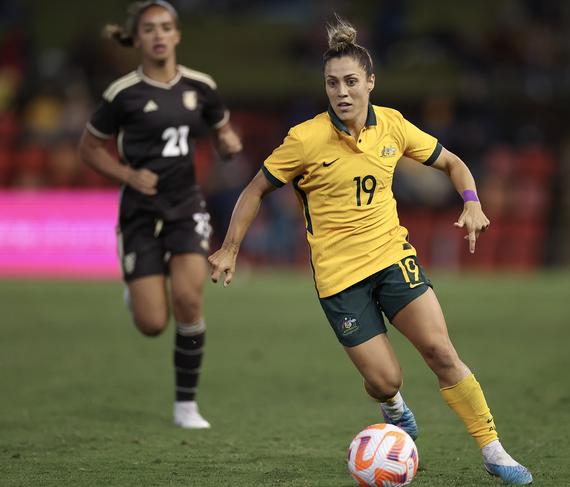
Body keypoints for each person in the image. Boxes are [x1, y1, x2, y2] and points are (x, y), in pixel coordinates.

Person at [208, 17, 533, 484]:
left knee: (441, 351)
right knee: (386, 380)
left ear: (370, 83)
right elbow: (254, 190)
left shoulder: (393, 126)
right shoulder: (304, 139)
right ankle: (394, 406)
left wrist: (473, 203)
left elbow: (454, 163)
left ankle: (493, 449)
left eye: (351, 81)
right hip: (339, 280)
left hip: (391, 259)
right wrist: (231, 248)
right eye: (332, 83)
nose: (341, 92)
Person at [78, 0, 242, 429]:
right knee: (152, 323)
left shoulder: (201, 86)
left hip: (186, 205)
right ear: (138, 38)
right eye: (149, 28)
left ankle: (185, 405)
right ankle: (137, 291)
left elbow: (221, 129)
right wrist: (127, 174)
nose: (158, 34)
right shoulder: (122, 94)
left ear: (177, 35)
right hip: (138, 212)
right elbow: (89, 148)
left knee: (189, 299)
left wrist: (227, 143)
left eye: (166, 27)